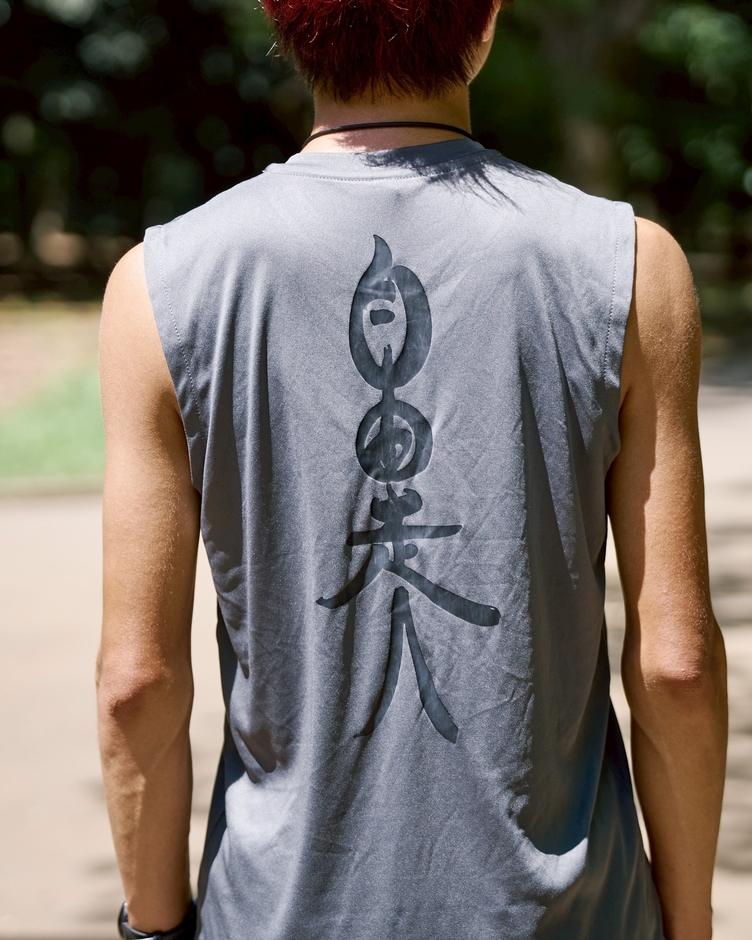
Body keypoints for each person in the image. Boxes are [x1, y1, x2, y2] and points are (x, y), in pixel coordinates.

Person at [97, 1, 728, 938]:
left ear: (280, 15)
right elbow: (676, 666)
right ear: (487, 16)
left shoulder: (160, 285)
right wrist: (689, 923)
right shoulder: (632, 269)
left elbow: (137, 682)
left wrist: (152, 928)